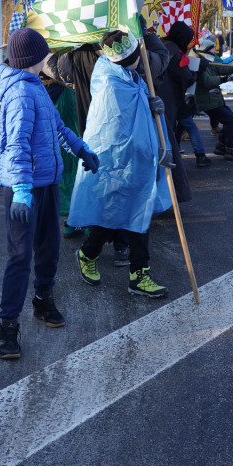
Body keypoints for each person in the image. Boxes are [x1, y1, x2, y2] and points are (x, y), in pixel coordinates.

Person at [0, 27, 99, 360]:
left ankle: (42, 300)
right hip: (23, 190)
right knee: (20, 256)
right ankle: (7, 325)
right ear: (35, 58)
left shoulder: (35, 85)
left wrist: (80, 149)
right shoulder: (20, 93)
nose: (49, 58)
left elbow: (58, 126)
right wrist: (22, 192)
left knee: (49, 248)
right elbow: (17, 145)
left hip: (46, 184)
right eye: (45, 53)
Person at [67, 29, 173, 299]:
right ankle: (88, 253)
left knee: (138, 213)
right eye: (138, 56)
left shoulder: (128, 75)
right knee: (112, 214)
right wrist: (147, 109)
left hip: (137, 160)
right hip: (115, 162)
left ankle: (139, 275)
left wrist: (150, 105)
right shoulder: (111, 85)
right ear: (130, 59)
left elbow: (138, 116)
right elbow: (118, 129)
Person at [156, 21, 198, 200]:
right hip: (167, 104)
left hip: (154, 99)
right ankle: (171, 193)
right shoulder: (177, 54)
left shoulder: (160, 44)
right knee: (165, 143)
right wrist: (197, 72)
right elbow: (185, 77)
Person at [193, 37, 233, 161]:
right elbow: (207, 82)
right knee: (230, 119)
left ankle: (221, 145)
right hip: (207, 100)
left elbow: (222, 68)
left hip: (214, 99)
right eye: (212, 50)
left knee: (230, 118)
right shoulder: (200, 64)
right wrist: (224, 79)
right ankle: (230, 149)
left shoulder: (209, 61)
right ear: (205, 51)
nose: (214, 52)